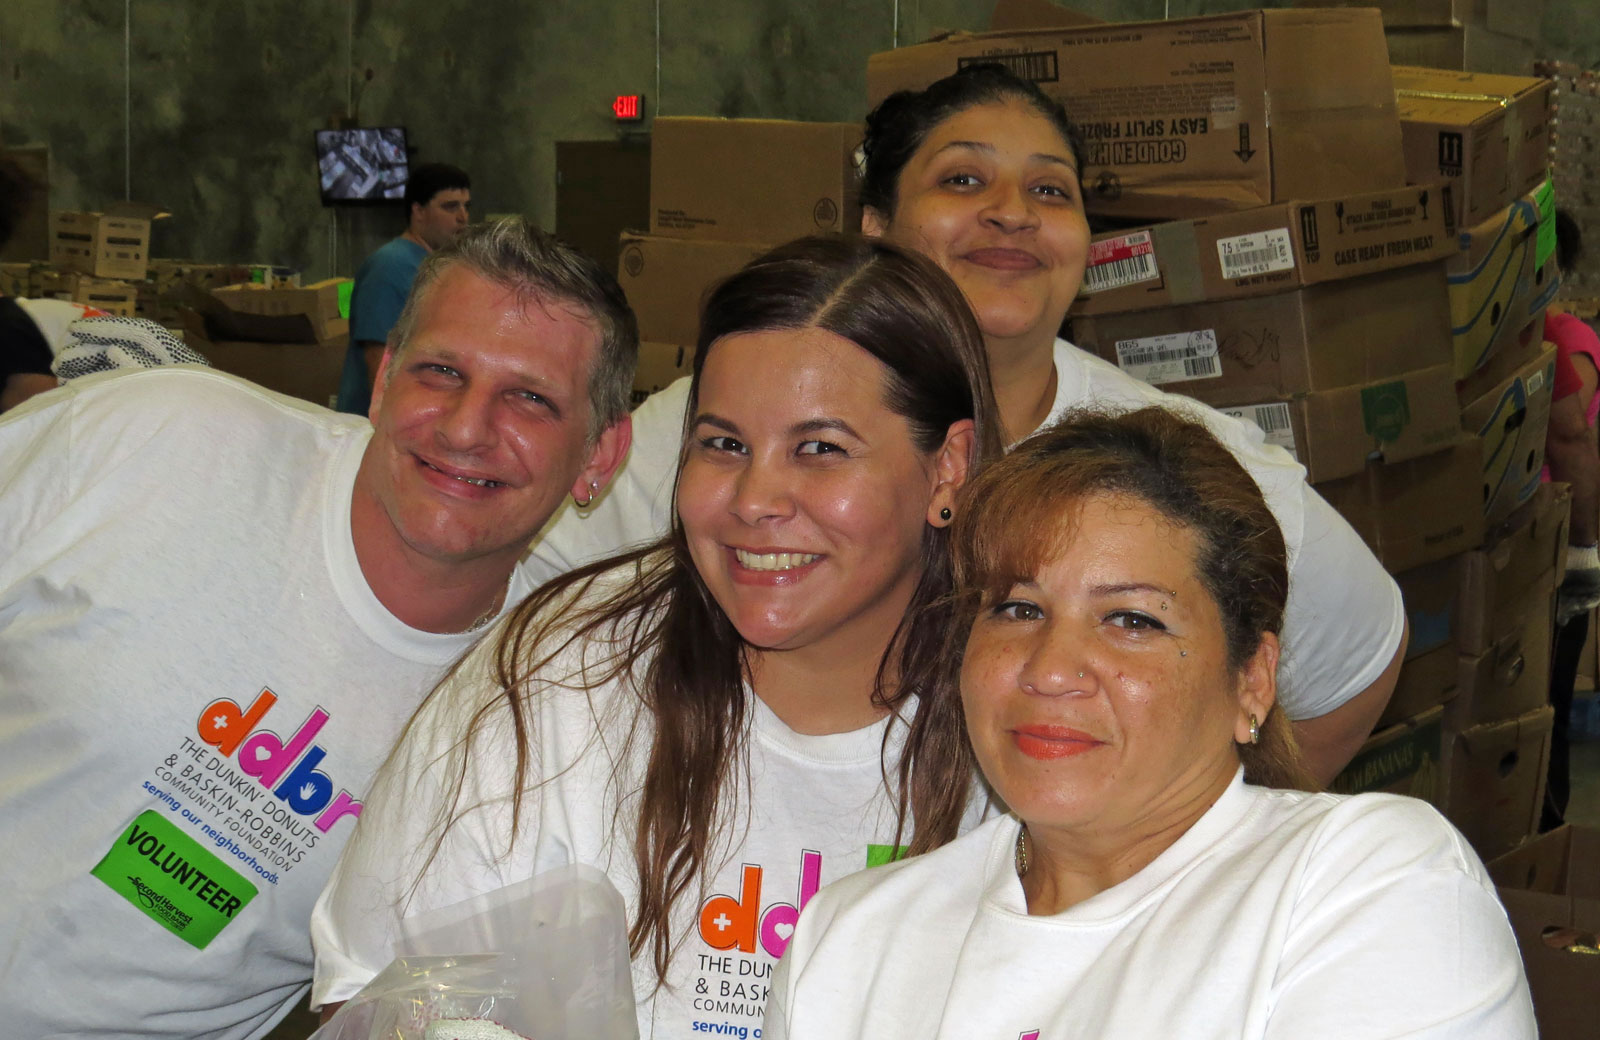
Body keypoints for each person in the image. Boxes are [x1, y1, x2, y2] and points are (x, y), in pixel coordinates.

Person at [529, 64, 1406, 783]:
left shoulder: (1168, 457)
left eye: (1050, 190)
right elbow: (537, 610)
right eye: (963, 179)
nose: (1013, 211)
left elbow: (1361, 652)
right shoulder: (713, 426)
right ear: (875, 227)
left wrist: (1180, 853)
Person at [309, 237, 1002, 1038]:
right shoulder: (558, 680)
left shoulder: (1030, 723)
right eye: (724, 444)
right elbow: (375, 995)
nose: (755, 499)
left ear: (948, 467)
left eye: (819, 449)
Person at [0, 217, 636, 1040]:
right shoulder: (157, 437)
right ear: (383, 379)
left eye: (531, 399)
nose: (465, 427)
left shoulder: (550, 699)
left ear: (599, 455)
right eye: (441, 371)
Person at [765, 407, 1534, 1040]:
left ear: (1251, 680)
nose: (1051, 668)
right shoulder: (847, 944)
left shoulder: (1365, 886)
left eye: (1132, 620)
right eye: (1019, 609)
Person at [1543, 208, 1600, 830]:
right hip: (1536, 538)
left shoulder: (1567, 336)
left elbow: (1571, 425)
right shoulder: (1539, 332)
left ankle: (1548, 837)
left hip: (1554, 540)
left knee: (1549, 702)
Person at [335, 161, 472, 414]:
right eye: (450, 206)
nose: (462, 217)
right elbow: (379, 359)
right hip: (377, 422)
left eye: (466, 206)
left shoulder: (436, 267)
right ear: (418, 211)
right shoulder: (389, 267)